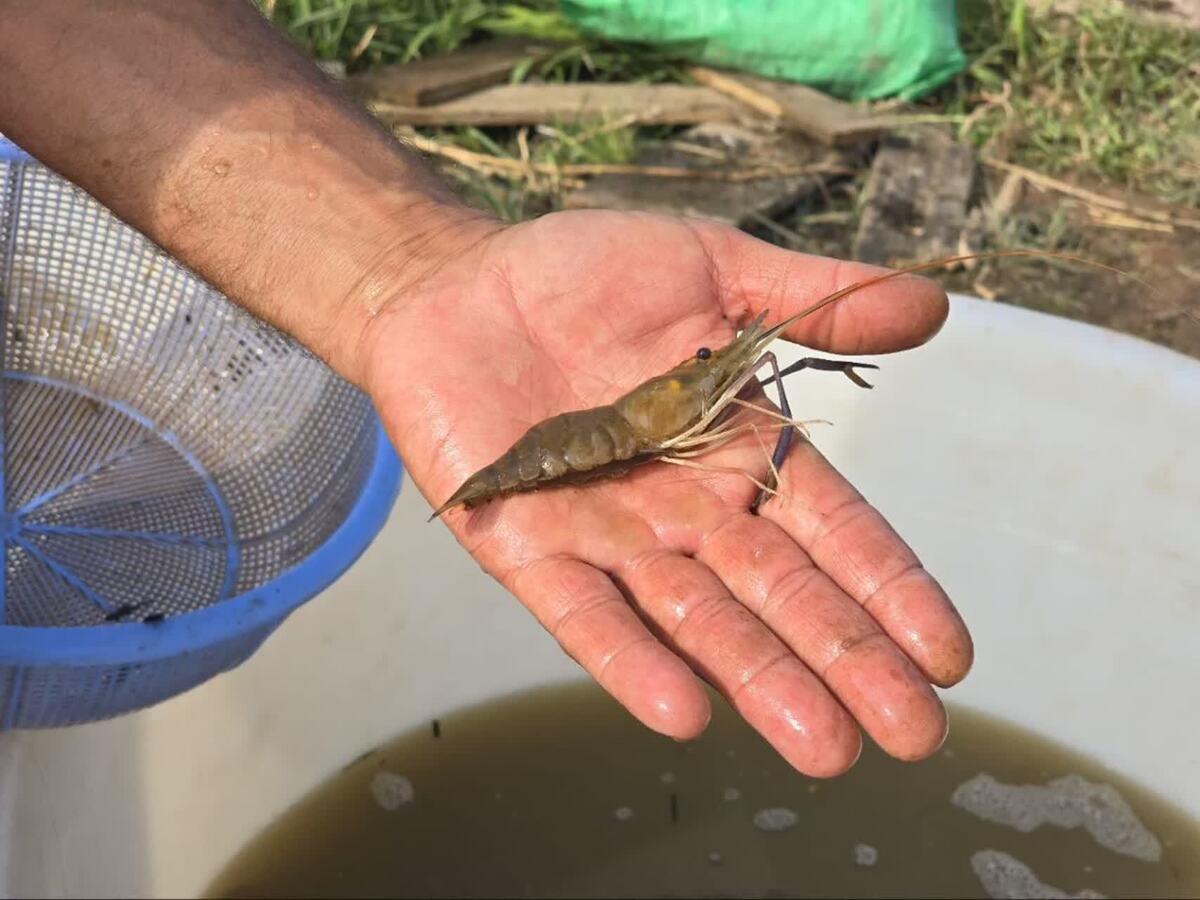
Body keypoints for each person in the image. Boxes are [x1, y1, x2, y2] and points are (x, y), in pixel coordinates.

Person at [0, 1, 971, 777]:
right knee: (781, 374)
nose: (730, 363)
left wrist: (415, 265)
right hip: (574, 444)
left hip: (592, 433)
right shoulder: (644, 430)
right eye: (710, 370)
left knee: (779, 361)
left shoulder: (679, 395)